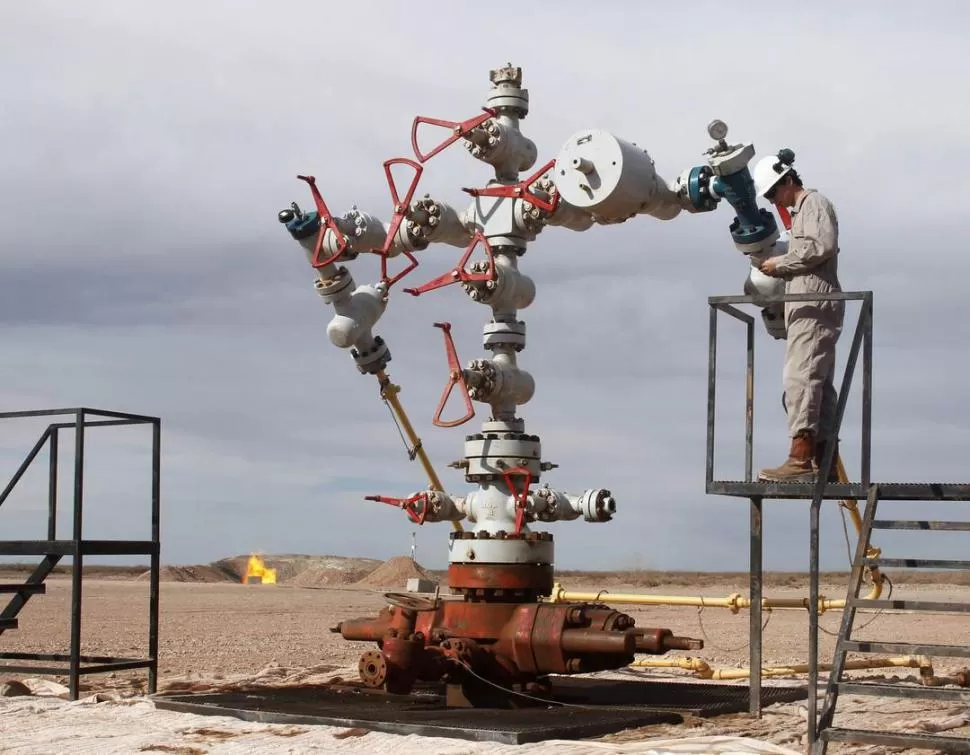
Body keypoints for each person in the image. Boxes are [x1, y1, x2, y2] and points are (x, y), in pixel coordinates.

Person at [751, 152, 844, 482]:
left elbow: (820, 246)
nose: (774, 200)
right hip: (809, 304)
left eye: (774, 192)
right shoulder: (801, 213)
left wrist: (779, 265)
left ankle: (800, 460)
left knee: (799, 379)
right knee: (816, 384)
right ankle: (825, 463)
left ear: (788, 181)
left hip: (814, 304)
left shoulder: (814, 204)